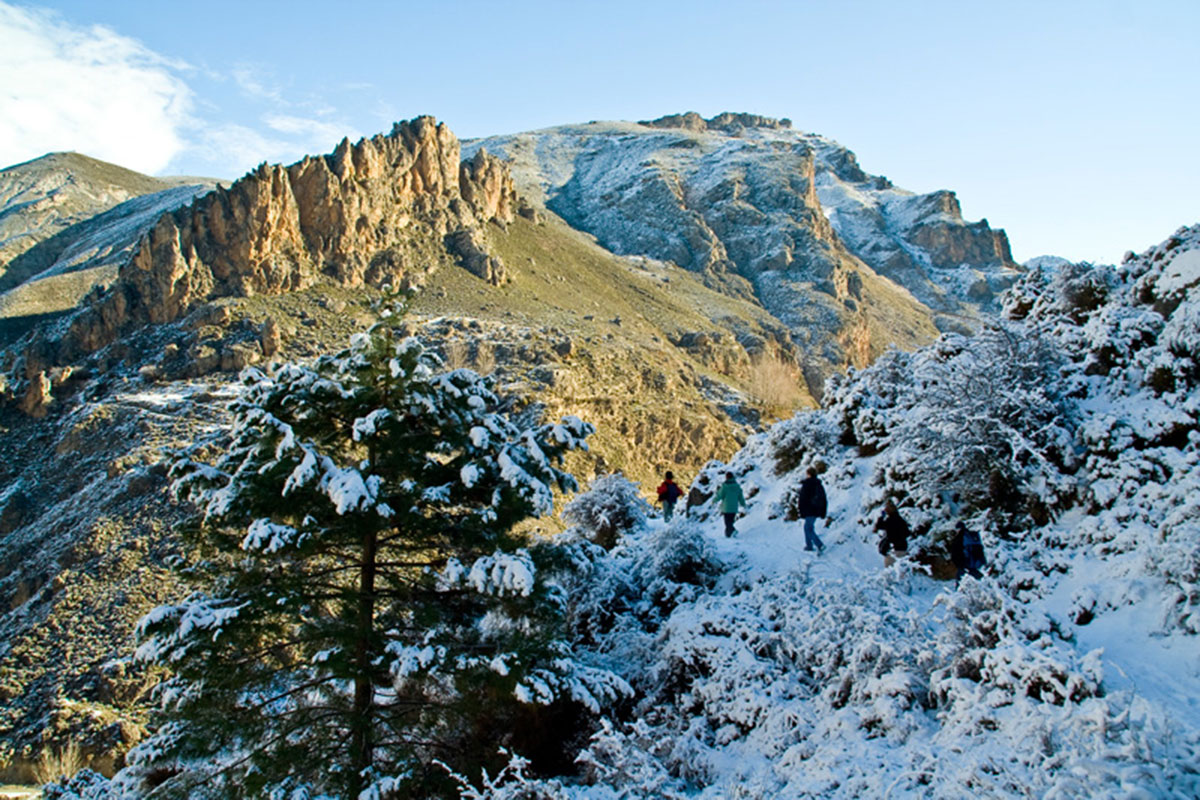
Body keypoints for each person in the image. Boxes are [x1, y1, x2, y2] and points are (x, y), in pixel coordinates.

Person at [791, 467, 827, 554]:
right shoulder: (819, 484)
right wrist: (823, 512)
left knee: (808, 528)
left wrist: (801, 511)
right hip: (816, 510)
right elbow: (824, 498)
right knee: (808, 527)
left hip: (809, 510)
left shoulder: (807, 484)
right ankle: (809, 545)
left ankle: (819, 545)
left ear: (809, 474)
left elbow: (802, 499)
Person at [876, 499, 910, 567]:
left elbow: (879, 525)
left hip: (893, 549)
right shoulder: (901, 520)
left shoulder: (890, 521)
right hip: (903, 548)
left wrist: (882, 517)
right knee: (902, 570)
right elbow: (907, 533)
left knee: (890, 572)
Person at [713, 472, 747, 537]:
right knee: (730, 522)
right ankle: (729, 535)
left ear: (726, 477)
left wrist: (714, 501)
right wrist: (743, 504)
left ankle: (733, 531)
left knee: (727, 523)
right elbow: (740, 497)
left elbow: (719, 495)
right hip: (734, 508)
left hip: (726, 508)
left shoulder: (725, 486)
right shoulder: (737, 486)